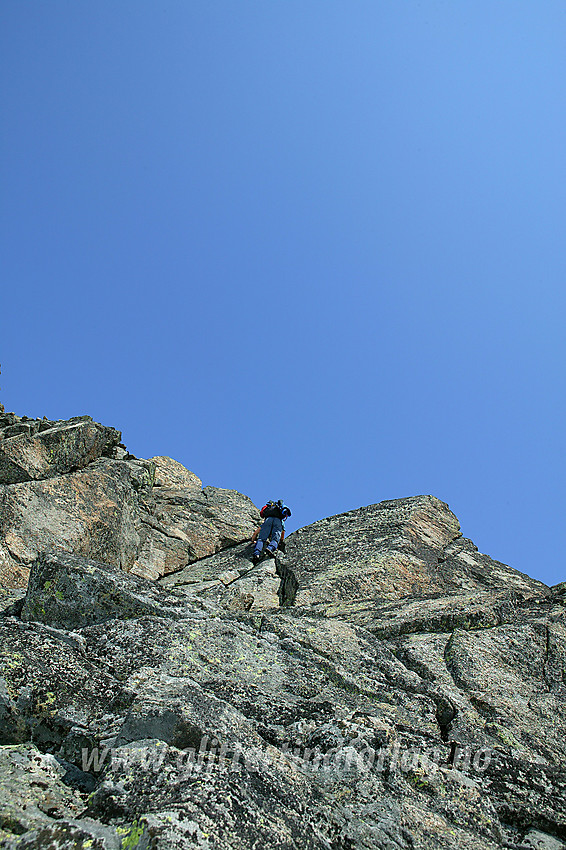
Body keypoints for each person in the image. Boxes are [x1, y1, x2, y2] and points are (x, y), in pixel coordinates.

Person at [251, 500, 291, 564]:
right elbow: (283, 531)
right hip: (278, 522)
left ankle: (257, 554)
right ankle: (270, 548)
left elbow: (257, 531)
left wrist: (253, 539)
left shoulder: (268, 515)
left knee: (261, 539)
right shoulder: (280, 520)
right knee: (275, 540)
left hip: (268, 521)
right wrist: (280, 541)